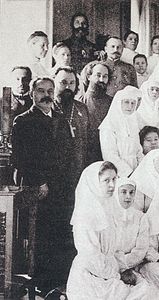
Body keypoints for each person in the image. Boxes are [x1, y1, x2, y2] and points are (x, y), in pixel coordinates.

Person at [66, 162, 159, 299]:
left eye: (114, 179)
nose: (112, 185)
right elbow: (91, 257)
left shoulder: (109, 209)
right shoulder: (84, 217)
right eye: (106, 180)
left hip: (110, 271)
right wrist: (117, 274)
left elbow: (114, 249)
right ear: (94, 183)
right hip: (92, 279)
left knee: (152, 293)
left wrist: (123, 268)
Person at [11, 77, 73, 291]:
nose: (46, 95)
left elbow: (69, 152)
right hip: (37, 187)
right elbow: (21, 158)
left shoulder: (61, 119)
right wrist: (40, 183)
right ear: (32, 94)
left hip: (61, 187)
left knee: (60, 232)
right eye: (40, 91)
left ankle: (58, 283)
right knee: (39, 234)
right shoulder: (23, 121)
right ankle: (39, 283)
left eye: (50, 90)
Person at [110, 177, 156, 296]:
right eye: (123, 192)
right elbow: (107, 250)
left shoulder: (141, 217)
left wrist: (126, 267)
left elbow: (141, 249)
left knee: (150, 293)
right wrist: (120, 268)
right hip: (110, 266)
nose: (128, 196)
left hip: (132, 266)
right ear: (116, 193)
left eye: (131, 192)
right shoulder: (108, 216)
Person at [52, 67, 90, 185]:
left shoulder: (82, 108)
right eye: (63, 83)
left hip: (77, 171)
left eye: (72, 83)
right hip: (54, 172)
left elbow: (88, 141)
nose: (68, 87)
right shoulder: (48, 107)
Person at [99, 87, 144, 177]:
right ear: (119, 102)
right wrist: (128, 173)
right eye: (126, 102)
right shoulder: (109, 124)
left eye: (133, 103)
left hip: (136, 170)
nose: (130, 106)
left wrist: (141, 168)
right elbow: (110, 154)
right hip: (118, 171)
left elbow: (138, 150)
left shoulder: (133, 122)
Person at [81, 61, 112, 162]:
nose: (102, 80)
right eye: (98, 75)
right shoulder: (80, 102)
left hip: (107, 151)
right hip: (86, 153)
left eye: (105, 76)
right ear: (89, 76)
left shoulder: (112, 103)